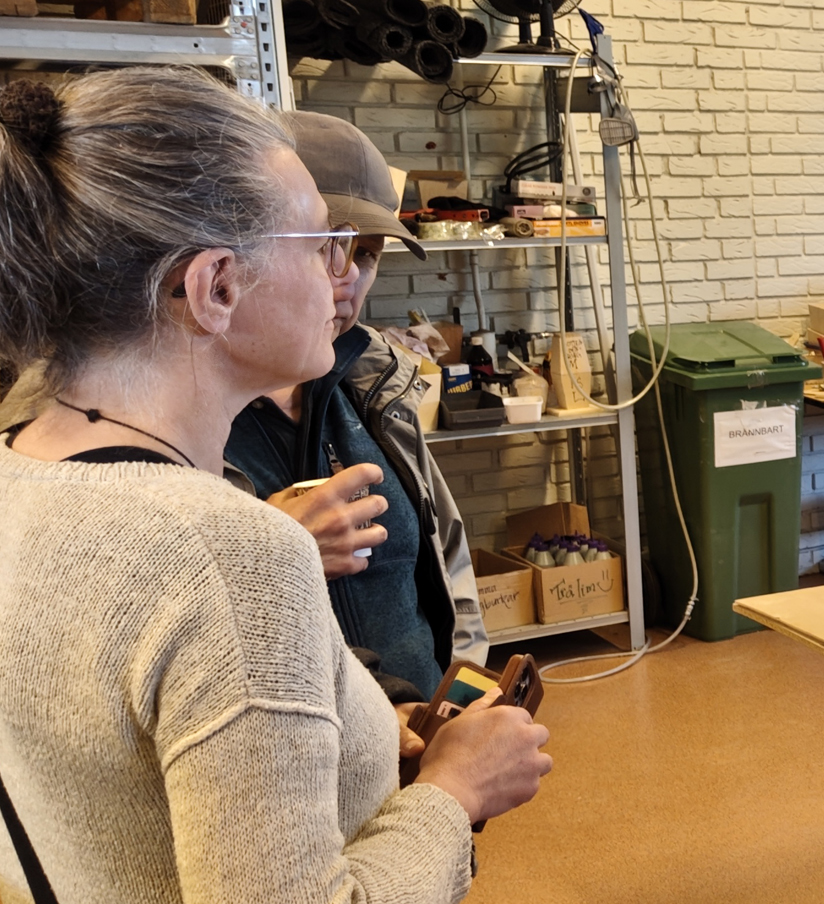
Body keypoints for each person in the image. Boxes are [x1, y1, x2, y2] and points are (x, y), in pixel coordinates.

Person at [0, 69, 551, 902]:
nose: (341, 277)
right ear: (216, 286)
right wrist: (453, 791)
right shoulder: (232, 555)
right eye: (318, 242)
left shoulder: (20, 471)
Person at [226, 110, 487, 704]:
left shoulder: (375, 383)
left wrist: (464, 694)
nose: (345, 279)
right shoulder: (183, 423)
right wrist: (273, 557)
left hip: (427, 729)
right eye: (327, 246)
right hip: (305, 746)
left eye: (365, 254)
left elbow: (447, 557)